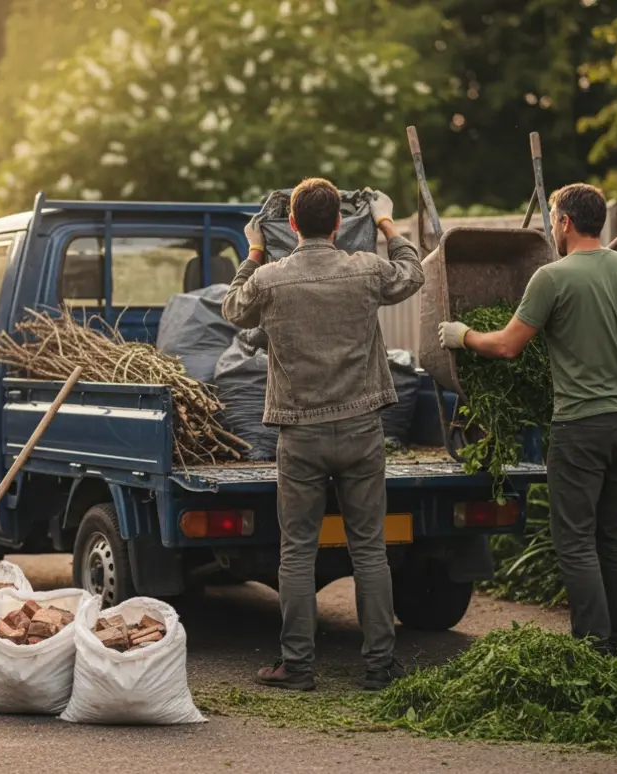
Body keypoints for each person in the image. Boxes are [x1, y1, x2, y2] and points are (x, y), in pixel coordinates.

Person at [437, 183, 617, 664]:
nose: (552, 227)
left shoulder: (552, 278)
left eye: (553, 219)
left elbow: (510, 345)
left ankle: (592, 652)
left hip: (580, 425)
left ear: (566, 222)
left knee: (574, 539)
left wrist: (463, 335)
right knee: (612, 534)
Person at [222, 178, 424, 691]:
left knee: (297, 551)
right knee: (370, 551)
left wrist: (253, 248)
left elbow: (232, 310)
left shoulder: (269, 278)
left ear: (291, 225)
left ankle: (298, 666)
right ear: (339, 224)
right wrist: (384, 220)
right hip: (361, 428)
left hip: (300, 435)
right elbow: (413, 273)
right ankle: (379, 667)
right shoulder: (365, 270)